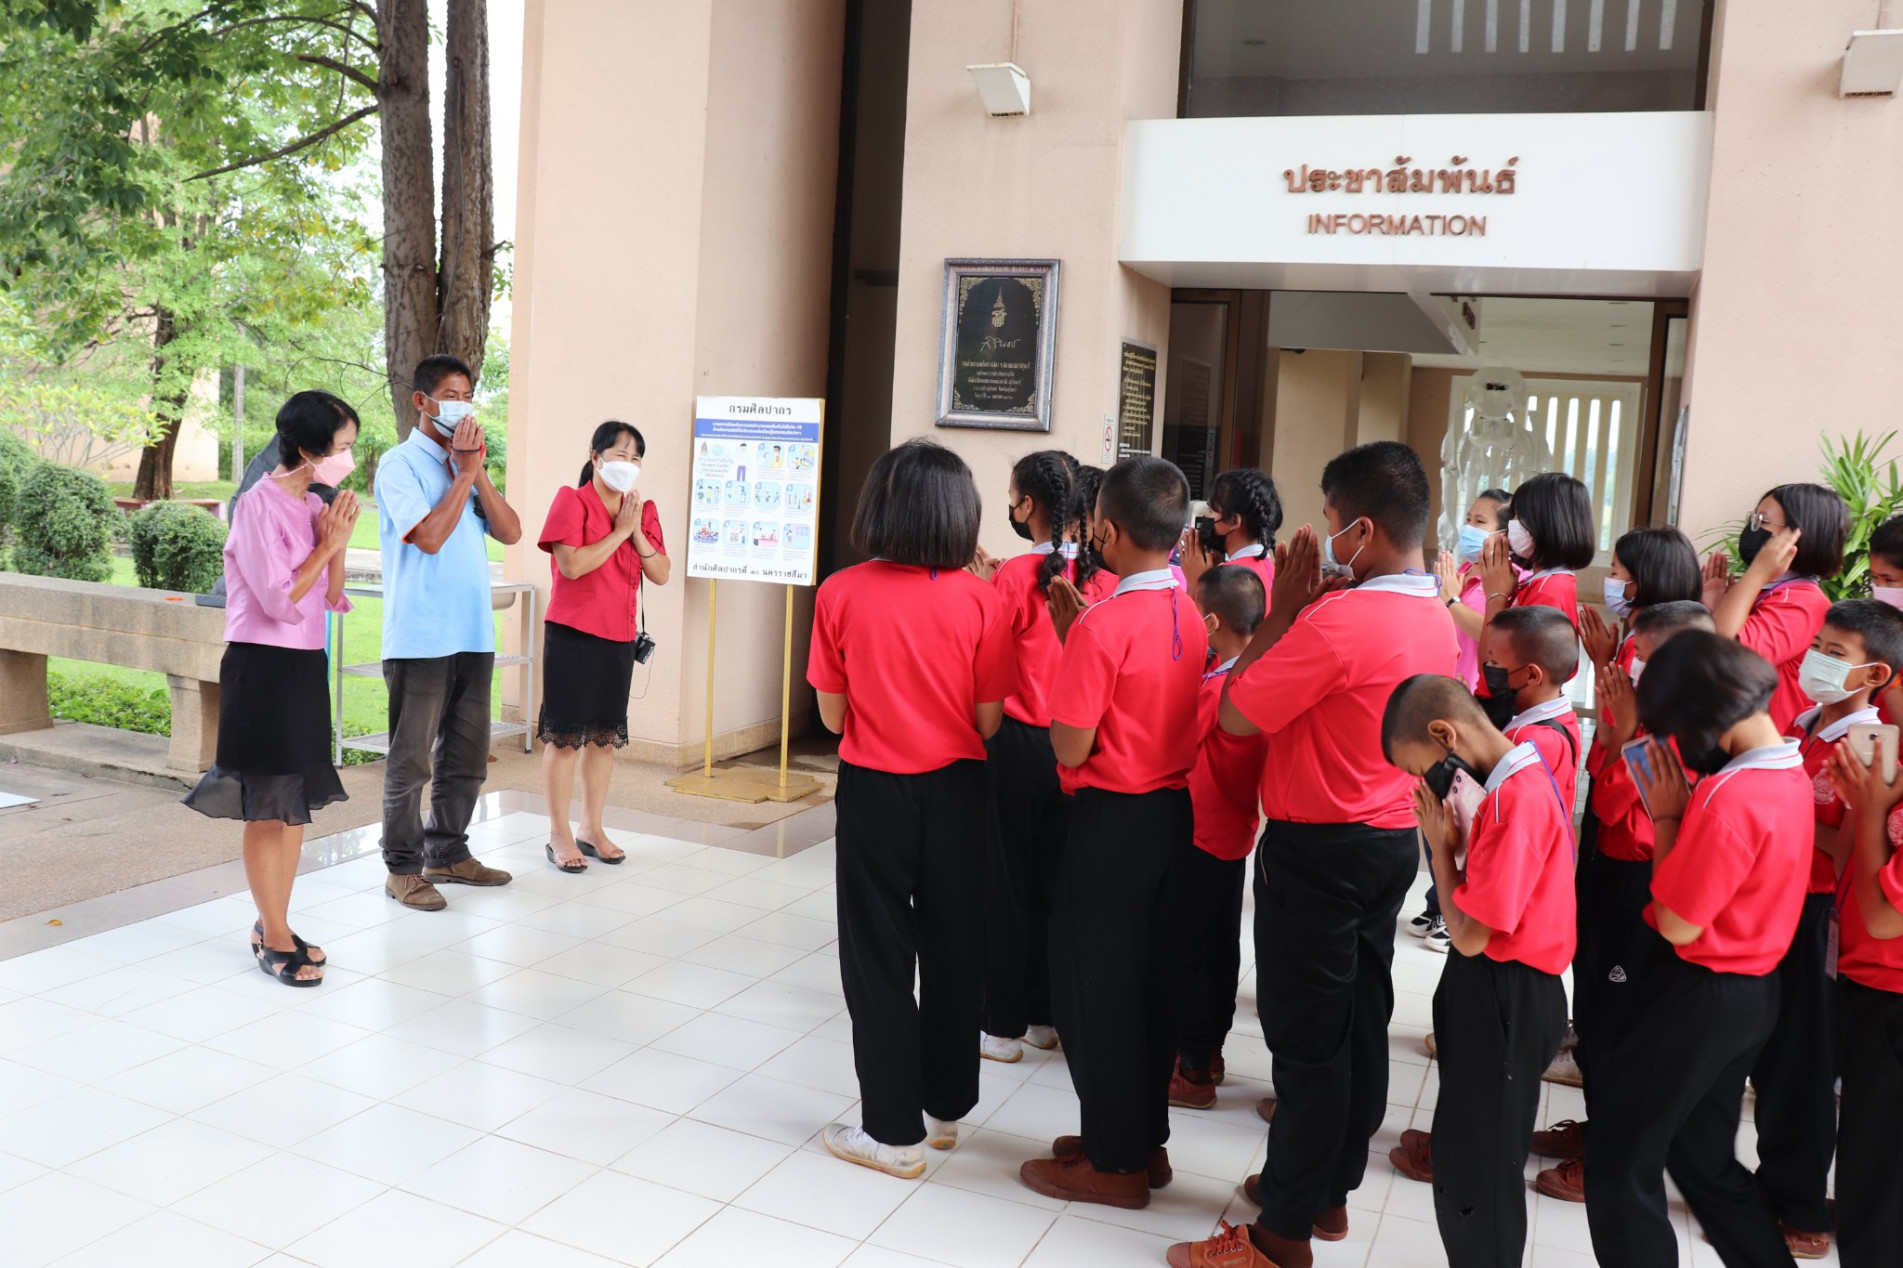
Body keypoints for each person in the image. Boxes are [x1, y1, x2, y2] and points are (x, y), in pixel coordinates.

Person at [1169, 441, 1459, 1268]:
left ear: (1362, 529)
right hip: (1386, 839)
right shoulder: (1433, 614)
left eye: (1330, 520)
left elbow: (1236, 715)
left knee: (1306, 1041)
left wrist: (1285, 614)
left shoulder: (1340, 620)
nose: (1322, 535)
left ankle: (1279, 1235)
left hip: (1319, 849)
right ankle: (1325, 1188)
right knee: (1357, 1024)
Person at [811, 440, 1015, 1179]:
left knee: (878, 957)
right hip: (959, 788)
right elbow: (989, 722)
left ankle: (891, 1133)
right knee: (956, 947)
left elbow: (832, 718)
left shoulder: (840, 592)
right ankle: (943, 1112)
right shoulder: (983, 600)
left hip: (875, 789)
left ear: (880, 507)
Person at [1583, 630, 1810, 1268]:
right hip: (1750, 994)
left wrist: (1665, 818)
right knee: (1701, 1158)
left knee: (1620, 1161)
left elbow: (1679, 923)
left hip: (1699, 997)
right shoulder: (1785, 766)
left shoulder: (1732, 795)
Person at [1019, 455, 1208, 1211]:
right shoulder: (1188, 608)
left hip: (1113, 821)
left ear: (1107, 529)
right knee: (1149, 985)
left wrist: (1076, 646)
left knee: (1091, 988)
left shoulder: (1103, 624)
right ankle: (1136, 1137)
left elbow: (1070, 746)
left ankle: (1114, 1162)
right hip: (1172, 816)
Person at [1380, 675, 1573, 1266]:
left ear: (1445, 734)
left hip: (1507, 994)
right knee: (1463, 1151)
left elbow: (1467, 934)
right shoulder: (1504, 783)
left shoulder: (1518, 798)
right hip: (1489, 987)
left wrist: (1439, 848)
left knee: (1481, 1173)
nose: (1426, 783)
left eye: (1422, 768)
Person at [1531, 600, 1716, 1202]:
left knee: (1621, 1025)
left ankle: (1612, 1157)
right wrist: (1623, 724)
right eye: (1635, 656)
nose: (1632, 668)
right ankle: (1597, 1130)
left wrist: (1625, 724)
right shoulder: (1647, 711)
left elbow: (1610, 799)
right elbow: (1599, 765)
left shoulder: (1685, 728)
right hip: (1607, 868)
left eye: (1647, 659)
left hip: (1643, 879)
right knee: (1595, 1010)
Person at [183, 391, 361, 986]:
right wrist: (327, 545)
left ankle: (274, 922)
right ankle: (274, 936)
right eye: (342, 448)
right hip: (261, 667)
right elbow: (277, 600)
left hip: (305, 665)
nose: (348, 460)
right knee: (266, 808)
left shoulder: (312, 504)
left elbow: (330, 596)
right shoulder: (256, 506)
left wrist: (336, 542)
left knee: (293, 804)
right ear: (307, 449)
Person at [1750, 600, 1903, 1258]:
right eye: (1817, 645)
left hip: (1831, 920)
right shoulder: (1806, 721)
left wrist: (1777, 809)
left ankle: (1802, 1207)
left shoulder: (1871, 744)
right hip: (1799, 909)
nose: (1815, 659)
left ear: (1876, 676)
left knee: (1808, 1065)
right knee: (1784, 1054)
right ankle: (1780, 1184)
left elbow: (1853, 853)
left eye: (1834, 654)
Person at [374, 354, 523, 910]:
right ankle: (403, 869)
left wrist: (475, 470)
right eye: (451, 395)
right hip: (420, 637)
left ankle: (448, 852)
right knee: (412, 760)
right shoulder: (399, 464)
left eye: (468, 396)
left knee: (467, 754)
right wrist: (462, 476)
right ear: (422, 401)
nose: (462, 406)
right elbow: (430, 538)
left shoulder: (466, 464)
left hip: (472, 633)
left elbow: (510, 532)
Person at [970, 450, 1098, 1065]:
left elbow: (987, 660)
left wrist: (983, 586)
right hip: (1077, 745)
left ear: (1028, 506)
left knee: (1004, 881)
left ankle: (1000, 1024)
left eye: (1013, 497)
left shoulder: (1015, 576)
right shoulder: (1100, 576)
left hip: (1017, 742)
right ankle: (1045, 1017)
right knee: (1055, 883)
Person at [536, 421, 670, 871]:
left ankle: (591, 828)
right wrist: (618, 533)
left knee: (603, 740)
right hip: (573, 636)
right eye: (619, 455)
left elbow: (661, 572)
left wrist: (634, 530)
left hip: (618, 638)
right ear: (596, 458)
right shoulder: (572, 501)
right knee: (565, 740)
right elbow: (572, 566)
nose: (628, 465)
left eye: (636, 458)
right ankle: (559, 834)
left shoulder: (642, 511)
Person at [1169, 564, 1270, 1110]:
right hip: (1232, 831)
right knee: (1219, 946)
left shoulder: (1220, 687)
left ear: (1211, 623)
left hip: (1199, 831)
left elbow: (1177, 740)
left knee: (1187, 952)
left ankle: (1190, 1067)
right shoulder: (1260, 675)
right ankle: (1208, 1052)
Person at [1824, 732, 1903, 1268]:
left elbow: (1883, 918)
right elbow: (1845, 866)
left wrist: (1873, 810)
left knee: (1877, 1183)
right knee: (1865, 1167)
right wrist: (1864, 804)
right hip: (1867, 983)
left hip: (1893, 992)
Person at [1704, 482, 1847, 733]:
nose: (1753, 528)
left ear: (1799, 535)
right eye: (1753, 518)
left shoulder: (1803, 603)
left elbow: (1724, 652)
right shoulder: (1771, 591)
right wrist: (1717, 605)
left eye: (1763, 521)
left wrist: (1758, 571)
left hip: (1768, 741)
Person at [1480, 605, 1582, 811]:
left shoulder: (1530, 742)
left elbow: (1499, 810)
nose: (1488, 667)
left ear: (1532, 675)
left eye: (1494, 661)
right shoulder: (1565, 718)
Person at [1478, 470, 1596, 631]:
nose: (1512, 523)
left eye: (1519, 515)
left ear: (1548, 523)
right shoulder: (1546, 582)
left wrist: (1496, 596)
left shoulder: (1547, 593)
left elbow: (1494, 646)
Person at [1578, 526, 1702, 674]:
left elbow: (1612, 691)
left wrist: (1601, 660)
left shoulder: (1641, 650)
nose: (1609, 579)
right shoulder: (1664, 636)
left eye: (1614, 573)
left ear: (1644, 581)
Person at [1433, 488, 1513, 690]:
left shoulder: (1513, 578)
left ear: (1503, 534)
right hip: (1446, 682)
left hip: (1477, 688)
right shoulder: (1463, 570)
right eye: (1468, 519)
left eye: (1479, 522)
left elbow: (1495, 636)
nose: (1468, 528)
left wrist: (1452, 601)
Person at [1181, 467, 1282, 607]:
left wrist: (1196, 584)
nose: (1206, 517)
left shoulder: (1228, 581)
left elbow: (1197, 621)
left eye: (1211, 510)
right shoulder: (1272, 569)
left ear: (1234, 521)